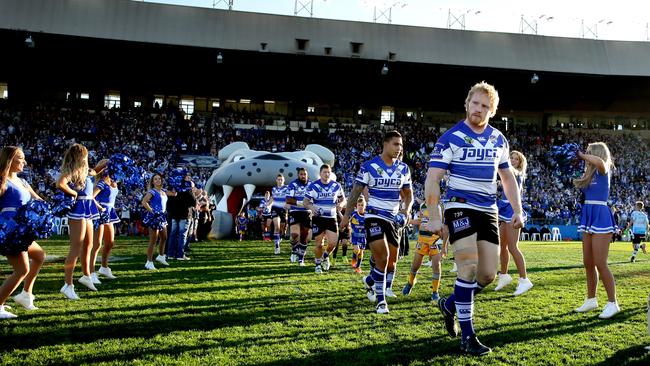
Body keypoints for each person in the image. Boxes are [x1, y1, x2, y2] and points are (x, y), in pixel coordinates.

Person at [425, 82, 523, 355]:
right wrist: (434, 216)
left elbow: (507, 177)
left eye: (485, 106)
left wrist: (517, 209)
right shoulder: (450, 138)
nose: (479, 110)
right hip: (460, 206)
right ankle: (468, 337)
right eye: (475, 103)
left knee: (488, 275)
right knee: (467, 267)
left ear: (492, 112)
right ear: (466, 104)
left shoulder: (498, 140)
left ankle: (450, 305)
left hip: (489, 210)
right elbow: (433, 179)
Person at [340, 130, 413, 314]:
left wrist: (406, 210)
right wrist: (347, 216)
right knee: (383, 257)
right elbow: (356, 192)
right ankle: (381, 302)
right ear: (385, 144)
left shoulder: (403, 168)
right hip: (374, 216)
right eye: (396, 144)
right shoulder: (369, 166)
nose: (399, 148)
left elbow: (408, 195)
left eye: (401, 145)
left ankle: (370, 281)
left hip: (394, 219)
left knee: (391, 263)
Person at [573, 142, 620, 319]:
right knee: (588, 262)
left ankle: (612, 303)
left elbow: (599, 161)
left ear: (596, 153)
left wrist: (581, 155)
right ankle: (591, 299)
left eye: (588, 152)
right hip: (588, 213)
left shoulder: (603, 167)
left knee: (601, 263)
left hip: (600, 215)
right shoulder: (590, 171)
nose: (586, 155)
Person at [0, 146, 46, 317]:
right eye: (20, 158)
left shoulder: (23, 182)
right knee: (22, 269)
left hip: (22, 231)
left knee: (40, 256)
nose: (24, 162)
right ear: (10, 160)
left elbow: (39, 200)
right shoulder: (2, 181)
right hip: (9, 231)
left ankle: (26, 295)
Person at [57, 144, 106, 300]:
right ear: (78, 157)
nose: (87, 158)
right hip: (77, 210)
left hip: (88, 209)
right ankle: (67, 285)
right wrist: (74, 194)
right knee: (75, 249)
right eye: (85, 155)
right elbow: (60, 183)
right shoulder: (71, 172)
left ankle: (86, 275)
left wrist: (114, 161)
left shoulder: (87, 171)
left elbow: (98, 169)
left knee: (89, 244)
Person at [495, 150, 533, 296]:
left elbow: (507, 171)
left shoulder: (517, 173)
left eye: (515, 159)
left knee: (512, 246)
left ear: (520, 162)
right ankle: (503, 276)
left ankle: (524, 279)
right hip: (504, 209)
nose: (512, 160)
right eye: (510, 157)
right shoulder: (508, 172)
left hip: (512, 210)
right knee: (502, 246)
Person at [303, 164, 346, 274]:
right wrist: (311, 207)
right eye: (324, 172)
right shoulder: (313, 186)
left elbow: (343, 200)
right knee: (319, 243)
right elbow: (305, 201)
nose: (327, 174)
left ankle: (325, 256)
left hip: (331, 218)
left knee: (333, 243)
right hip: (319, 218)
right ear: (320, 173)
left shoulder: (336, 185)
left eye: (328, 172)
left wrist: (341, 204)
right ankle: (317, 264)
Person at [401, 202, 448, 302]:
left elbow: (442, 226)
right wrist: (408, 221)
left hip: (434, 239)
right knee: (415, 265)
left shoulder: (438, 206)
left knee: (436, 265)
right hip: (422, 239)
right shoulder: (422, 205)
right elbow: (421, 221)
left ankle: (435, 292)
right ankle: (410, 283)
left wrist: (444, 245)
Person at [91, 162, 121, 280]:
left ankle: (104, 267)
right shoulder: (102, 183)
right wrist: (100, 208)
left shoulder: (113, 182)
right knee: (97, 244)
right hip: (101, 213)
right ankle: (91, 272)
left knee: (110, 242)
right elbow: (91, 196)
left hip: (110, 212)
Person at [141, 173, 176, 270]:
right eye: (155, 179)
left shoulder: (164, 191)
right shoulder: (152, 192)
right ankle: (149, 261)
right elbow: (144, 202)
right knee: (153, 240)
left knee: (164, 237)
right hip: (154, 217)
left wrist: (176, 184)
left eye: (159, 179)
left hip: (162, 216)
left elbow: (174, 193)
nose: (158, 180)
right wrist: (152, 211)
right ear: (152, 181)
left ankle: (161, 256)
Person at [285, 168, 312, 266]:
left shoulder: (311, 185)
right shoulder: (293, 184)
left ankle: (301, 259)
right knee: (295, 234)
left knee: (305, 237)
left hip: (307, 212)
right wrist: (301, 203)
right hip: (295, 211)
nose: (303, 176)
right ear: (298, 175)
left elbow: (314, 197)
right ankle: (294, 249)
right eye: (301, 174)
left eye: (304, 174)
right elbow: (288, 199)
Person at [270, 174, 288, 254]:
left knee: (282, 228)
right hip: (275, 208)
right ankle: (277, 246)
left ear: (283, 180)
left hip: (283, 209)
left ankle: (280, 237)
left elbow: (289, 198)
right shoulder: (273, 189)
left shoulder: (286, 188)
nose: (280, 181)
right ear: (276, 180)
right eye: (278, 179)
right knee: (276, 227)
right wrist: (267, 204)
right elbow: (272, 198)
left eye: (281, 179)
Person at [350, 197, 366, 274]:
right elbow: (347, 222)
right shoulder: (353, 214)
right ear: (356, 206)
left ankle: (358, 267)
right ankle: (353, 258)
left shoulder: (367, 215)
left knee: (361, 253)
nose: (360, 206)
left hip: (363, 237)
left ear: (365, 206)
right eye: (359, 205)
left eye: (362, 205)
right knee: (357, 250)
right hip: (355, 236)